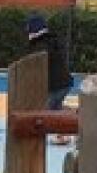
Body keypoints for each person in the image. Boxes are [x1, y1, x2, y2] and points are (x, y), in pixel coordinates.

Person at [26, 14, 74, 145]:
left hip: (57, 84)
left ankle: (71, 125)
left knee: (46, 111)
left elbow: (39, 63)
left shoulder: (41, 45)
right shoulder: (51, 41)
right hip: (62, 83)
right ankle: (66, 129)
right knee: (56, 108)